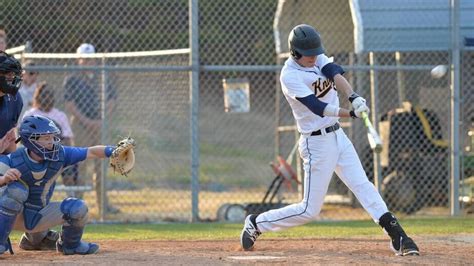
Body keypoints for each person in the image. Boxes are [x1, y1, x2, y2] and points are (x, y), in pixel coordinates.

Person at [240, 24, 420, 256]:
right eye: (309, 54)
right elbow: (317, 107)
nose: (314, 57)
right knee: (309, 210)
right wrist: (350, 113)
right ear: (295, 53)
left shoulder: (316, 57)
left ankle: (398, 236)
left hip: (337, 135)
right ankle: (256, 223)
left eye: (316, 52)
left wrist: (353, 96)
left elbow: (334, 72)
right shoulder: (290, 75)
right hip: (316, 144)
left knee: (362, 185)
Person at [0, 115, 120, 255]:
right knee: (16, 191)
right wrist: (4, 180)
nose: (51, 142)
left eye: (52, 137)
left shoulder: (60, 155)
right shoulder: (12, 159)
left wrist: (114, 151)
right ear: (30, 140)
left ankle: (69, 245)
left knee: (77, 208)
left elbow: (90, 151)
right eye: (46, 138)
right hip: (11, 215)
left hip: (38, 214)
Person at [64, 43, 118, 214]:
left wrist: (101, 119)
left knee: (101, 164)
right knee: (81, 163)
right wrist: (87, 121)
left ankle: (103, 205)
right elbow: (70, 104)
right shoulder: (72, 78)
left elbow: (111, 100)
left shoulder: (102, 77)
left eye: (90, 59)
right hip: (80, 124)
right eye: (84, 59)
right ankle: (78, 205)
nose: (88, 62)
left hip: (99, 123)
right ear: (79, 60)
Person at [23, 82, 82, 197]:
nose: (46, 98)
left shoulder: (60, 115)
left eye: (49, 95)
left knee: (71, 165)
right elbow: (23, 139)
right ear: (37, 96)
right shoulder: (30, 114)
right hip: (35, 154)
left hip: (56, 153)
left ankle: (71, 198)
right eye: (43, 95)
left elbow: (68, 139)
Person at [0, 51, 23, 155]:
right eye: (7, 73)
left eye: (13, 74)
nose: (12, 77)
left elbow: (10, 142)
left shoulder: (15, 100)